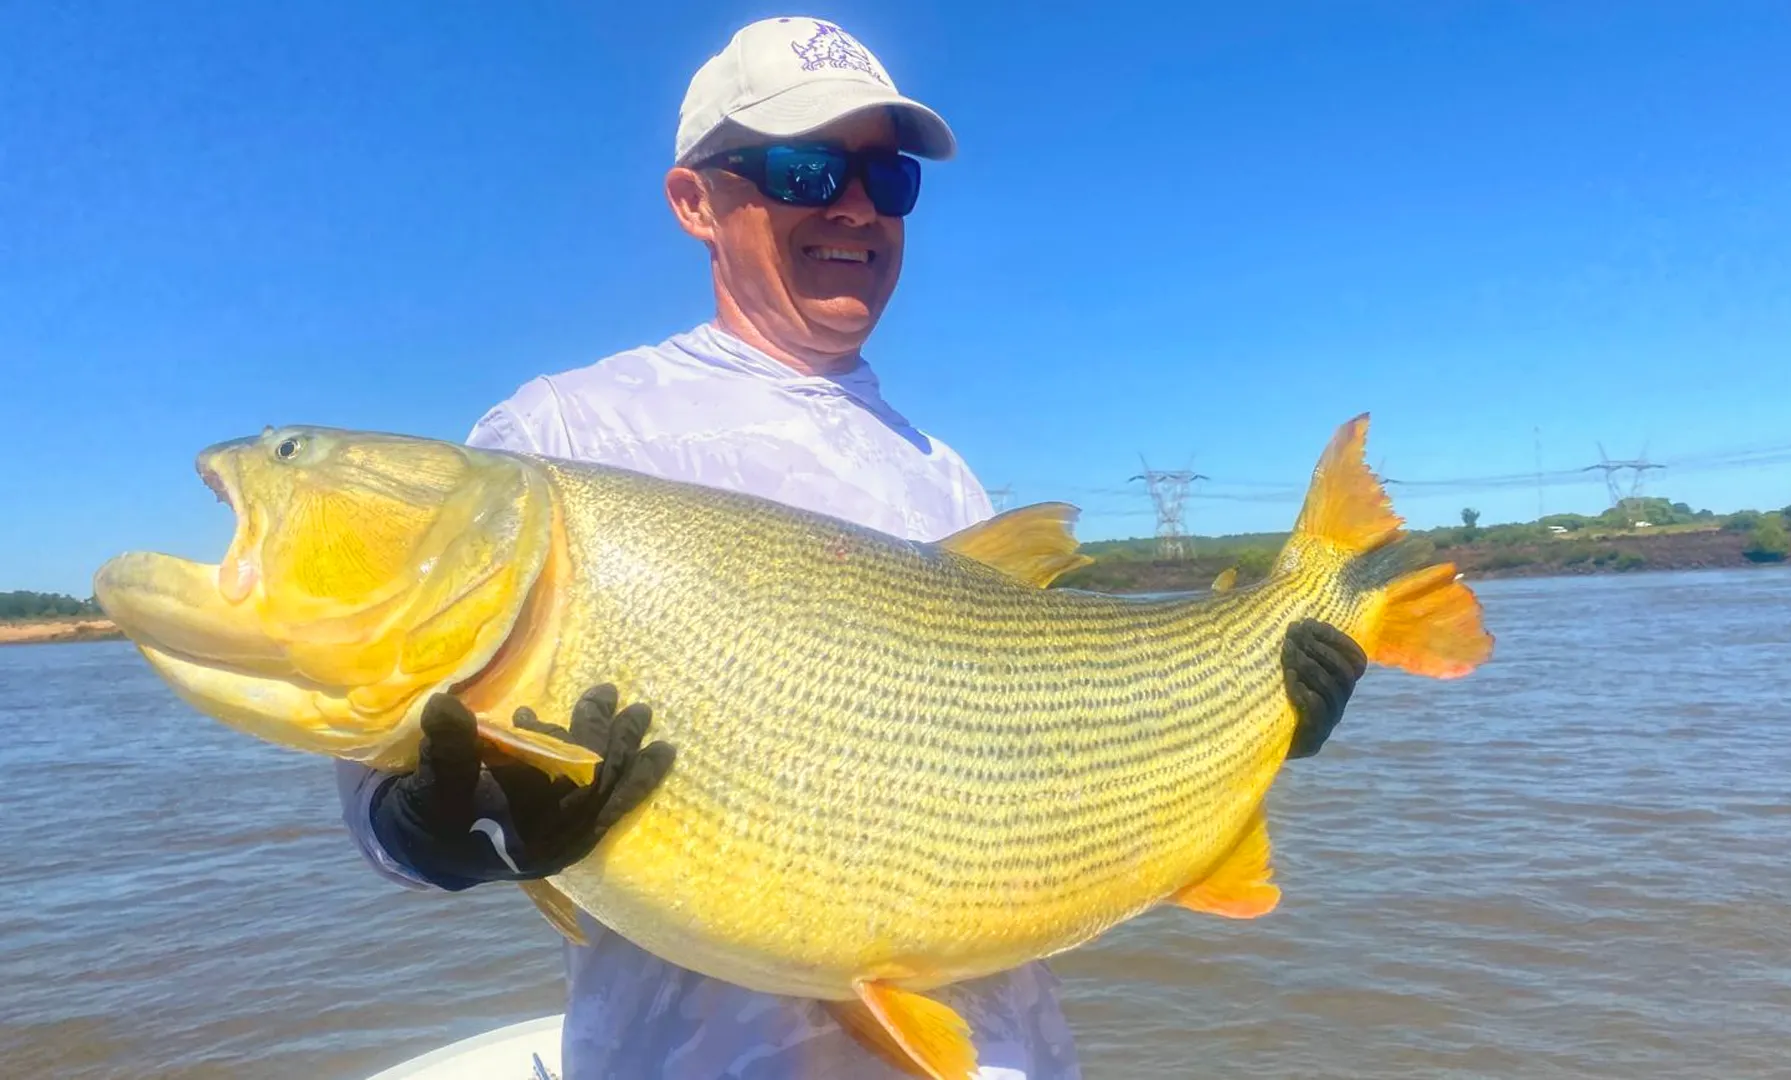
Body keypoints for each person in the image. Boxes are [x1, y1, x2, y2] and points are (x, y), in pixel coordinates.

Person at [335, 16, 1369, 1080]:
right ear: (694, 200)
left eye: (887, 175)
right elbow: (389, 774)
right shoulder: (563, 437)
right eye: (805, 167)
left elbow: (1049, 765)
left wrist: (1243, 721)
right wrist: (436, 830)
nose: (857, 206)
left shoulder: (942, 473)